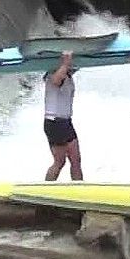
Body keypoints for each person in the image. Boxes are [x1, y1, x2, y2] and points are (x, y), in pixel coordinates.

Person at [43, 51, 82, 181]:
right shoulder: (53, 75)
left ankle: (80, 190)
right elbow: (55, 80)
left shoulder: (69, 77)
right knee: (60, 162)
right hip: (54, 122)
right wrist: (65, 63)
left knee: (76, 160)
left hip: (66, 122)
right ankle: (46, 190)